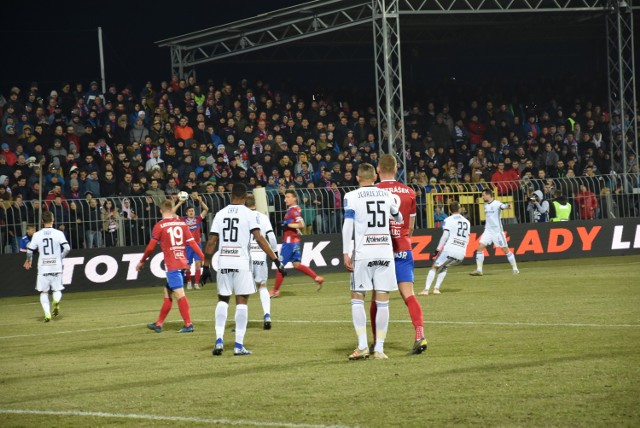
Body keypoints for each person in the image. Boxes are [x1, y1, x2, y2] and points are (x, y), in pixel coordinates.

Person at [199, 183, 286, 356]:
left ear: (230, 195)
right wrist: (276, 260)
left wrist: (205, 267)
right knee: (241, 302)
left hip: (223, 261)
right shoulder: (248, 214)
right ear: (245, 196)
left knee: (223, 300)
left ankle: (219, 340)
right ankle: (238, 345)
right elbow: (260, 239)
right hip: (241, 262)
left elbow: (211, 242)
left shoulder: (220, 214)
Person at [342, 162, 402, 360]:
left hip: (364, 253)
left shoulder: (351, 196)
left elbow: (347, 226)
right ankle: (380, 349)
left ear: (357, 178)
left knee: (357, 297)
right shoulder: (386, 195)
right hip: (385, 252)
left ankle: (362, 346)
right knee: (383, 301)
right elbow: (399, 217)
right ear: (374, 178)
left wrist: (345, 252)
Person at [372, 154, 427, 355]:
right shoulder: (409, 192)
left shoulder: (373, 191)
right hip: (403, 246)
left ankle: (377, 342)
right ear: (396, 169)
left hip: (380, 248)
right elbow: (410, 227)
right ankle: (419, 335)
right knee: (409, 294)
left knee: (377, 297)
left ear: (378, 169)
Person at [136, 199, 204, 333]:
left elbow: (150, 248)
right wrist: (203, 257)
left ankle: (188, 324)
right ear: (172, 209)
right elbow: (192, 243)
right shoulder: (182, 224)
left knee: (179, 294)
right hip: (182, 261)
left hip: (172, 264)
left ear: (161, 210)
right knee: (167, 292)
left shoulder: (159, 226)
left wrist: (142, 260)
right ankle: (159, 323)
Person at [269, 189, 323, 298]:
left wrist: (286, 225)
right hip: (295, 241)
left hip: (289, 242)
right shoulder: (293, 209)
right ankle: (316, 278)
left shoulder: (293, 210)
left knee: (280, 266)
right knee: (297, 265)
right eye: (285, 197)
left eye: (288, 197)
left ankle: (275, 291)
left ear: (295, 198)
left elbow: (301, 224)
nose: (285, 199)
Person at [23, 211, 71, 322]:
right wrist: (60, 257)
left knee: (44, 292)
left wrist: (28, 260)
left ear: (42, 221)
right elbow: (67, 248)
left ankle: (47, 314)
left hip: (43, 267)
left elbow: (30, 251)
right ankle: (56, 300)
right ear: (53, 219)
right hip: (56, 266)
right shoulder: (58, 233)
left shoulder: (37, 234)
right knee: (57, 289)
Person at [420, 201, 470, 295]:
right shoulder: (467, 222)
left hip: (450, 249)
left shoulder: (449, 219)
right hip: (461, 252)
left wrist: (437, 250)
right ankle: (436, 289)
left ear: (450, 210)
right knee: (445, 266)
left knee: (434, 266)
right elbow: (468, 238)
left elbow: (445, 235)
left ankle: (426, 290)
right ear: (459, 209)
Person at [245, 195, 279, 330]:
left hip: (246, 258)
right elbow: (271, 237)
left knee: (243, 290)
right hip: (260, 256)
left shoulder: (243, 217)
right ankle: (267, 315)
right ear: (255, 203)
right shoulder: (263, 217)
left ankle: (242, 322)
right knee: (263, 286)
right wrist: (275, 255)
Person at [469, 188, 520, 276]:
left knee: (505, 250)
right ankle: (479, 270)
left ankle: (515, 269)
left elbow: (503, 206)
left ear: (488, 195)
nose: (482, 196)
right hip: (488, 230)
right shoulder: (485, 205)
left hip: (497, 232)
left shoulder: (497, 204)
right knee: (480, 247)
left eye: (483, 195)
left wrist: (508, 206)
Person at [173, 193, 209, 290]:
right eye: (189, 211)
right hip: (187, 246)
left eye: (192, 211)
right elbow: (172, 213)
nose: (191, 212)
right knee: (188, 266)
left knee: (198, 264)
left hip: (197, 245)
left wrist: (201, 202)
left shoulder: (198, 219)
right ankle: (189, 282)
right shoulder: (182, 220)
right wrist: (180, 203)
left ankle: (196, 283)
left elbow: (206, 210)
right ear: (186, 213)